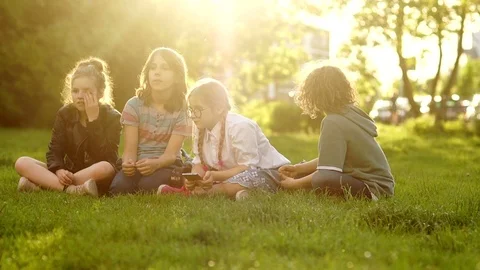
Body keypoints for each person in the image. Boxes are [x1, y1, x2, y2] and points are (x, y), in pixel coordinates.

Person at [157, 78, 290, 200]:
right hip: (226, 175)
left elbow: (247, 167)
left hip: (266, 172)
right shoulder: (200, 126)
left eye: (197, 109)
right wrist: (195, 178)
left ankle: (198, 193)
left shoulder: (240, 127)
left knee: (248, 179)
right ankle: (240, 195)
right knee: (189, 166)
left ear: (219, 108)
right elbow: (199, 163)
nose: (192, 115)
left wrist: (216, 176)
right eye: (191, 110)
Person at [278, 65, 394, 200]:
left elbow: (327, 172)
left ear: (314, 94)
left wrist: (294, 184)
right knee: (309, 174)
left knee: (324, 178)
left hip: (372, 189)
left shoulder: (332, 121)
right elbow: (332, 158)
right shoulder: (350, 113)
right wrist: (299, 169)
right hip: (384, 188)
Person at [15, 57, 121, 196]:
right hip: (68, 171)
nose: (79, 96)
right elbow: (55, 150)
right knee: (22, 162)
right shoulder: (65, 114)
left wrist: (93, 121)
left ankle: (43, 185)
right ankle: (73, 190)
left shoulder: (113, 117)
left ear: (100, 92)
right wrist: (59, 169)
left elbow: (107, 156)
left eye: (86, 91)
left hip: (96, 174)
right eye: (75, 91)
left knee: (106, 167)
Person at [109, 48, 191, 195]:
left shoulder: (182, 110)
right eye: (153, 68)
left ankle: (174, 181)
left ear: (177, 77)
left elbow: (171, 155)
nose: (157, 72)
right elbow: (129, 151)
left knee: (147, 186)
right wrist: (128, 163)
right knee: (119, 188)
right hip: (138, 163)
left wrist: (156, 164)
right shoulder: (133, 105)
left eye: (165, 68)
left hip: (167, 164)